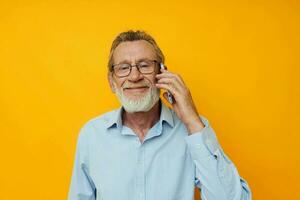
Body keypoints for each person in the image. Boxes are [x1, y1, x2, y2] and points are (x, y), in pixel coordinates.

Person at [68, 30, 252, 200]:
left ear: (162, 72)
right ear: (111, 81)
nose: (134, 76)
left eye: (144, 65)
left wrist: (192, 121)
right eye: (124, 68)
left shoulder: (194, 130)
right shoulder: (92, 134)